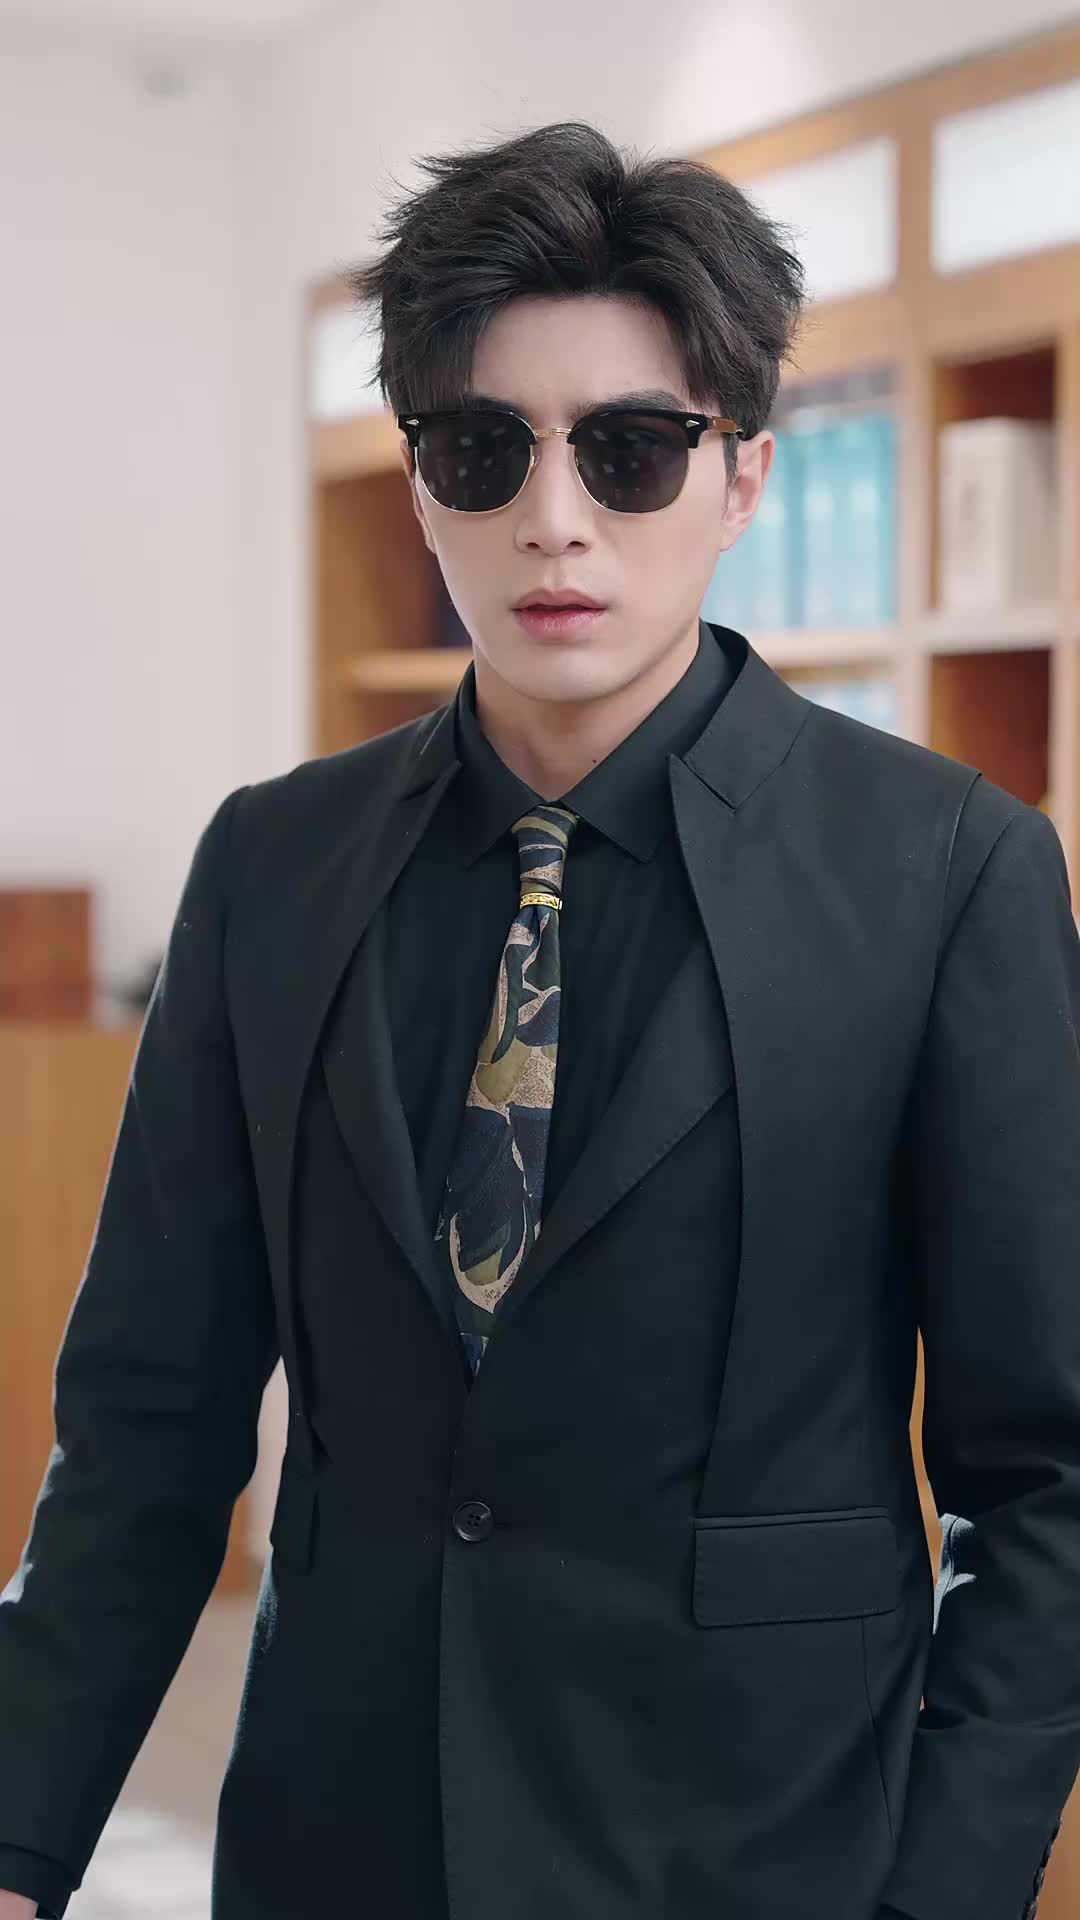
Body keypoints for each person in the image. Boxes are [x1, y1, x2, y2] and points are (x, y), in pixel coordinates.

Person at [1, 117, 1077, 1920]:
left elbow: (1047, 1478)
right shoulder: (271, 864)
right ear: (421, 484)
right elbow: (147, 1422)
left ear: (742, 478)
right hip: (341, 1842)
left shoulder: (946, 869)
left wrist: (945, 1894)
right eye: (484, 448)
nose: (553, 519)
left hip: (763, 1852)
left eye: (632, 449)